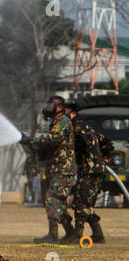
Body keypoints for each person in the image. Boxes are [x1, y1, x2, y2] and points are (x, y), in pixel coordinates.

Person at [20, 95, 76, 244]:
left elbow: (53, 140)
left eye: (51, 105)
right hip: (57, 168)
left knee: (52, 200)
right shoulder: (55, 122)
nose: (47, 108)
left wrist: (32, 140)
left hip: (63, 169)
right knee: (58, 203)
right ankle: (71, 233)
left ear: (59, 107)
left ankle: (53, 235)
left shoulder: (63, 121)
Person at [63, 101, 112, 243]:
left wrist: (103, 158)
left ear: (73, 113)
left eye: (66, 111)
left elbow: (102, 142)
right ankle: (98, 235)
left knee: (81, 203)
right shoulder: (81, 127)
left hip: (91, 171)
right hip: (89, 170)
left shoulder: (78, 128)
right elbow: (103, 140)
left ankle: (77, 234)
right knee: (85, 202)